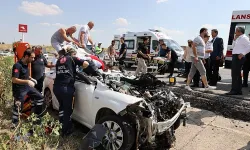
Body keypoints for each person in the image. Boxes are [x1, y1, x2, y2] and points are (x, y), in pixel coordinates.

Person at [53, 47, 89, 136]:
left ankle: (61, 125)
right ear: (73, 53)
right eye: (75, 54)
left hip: (57, 87)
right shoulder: (73, 58)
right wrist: (81, 67)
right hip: (66, 89)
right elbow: (86, 63)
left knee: (62, 107)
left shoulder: (59, 60)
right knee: (68, 110)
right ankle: (65, 132)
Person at [12, 49, 44, 125]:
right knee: (18, 107)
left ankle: (37, 117)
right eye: (32, 57)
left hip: (27, 87)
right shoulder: (17, 65)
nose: (33, 59)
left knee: (40, 97)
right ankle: (14, 124)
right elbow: (14, 80)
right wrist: (27, 81)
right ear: (26, 56)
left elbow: (24, 75)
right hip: (19, 89)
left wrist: (30, 78)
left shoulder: (26, 64)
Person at [226, 27, 250, 95]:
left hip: (238, 57)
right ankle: (238, 90)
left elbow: (249, 46)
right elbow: (233, 47)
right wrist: (234, 39)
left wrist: (242, 54)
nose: (235, 32)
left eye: (236, 31)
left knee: (235, 74)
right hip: (235, 56)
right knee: (236, 74)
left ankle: (234, 90)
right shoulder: (238, 38)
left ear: (239, 32)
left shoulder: (244, 38)